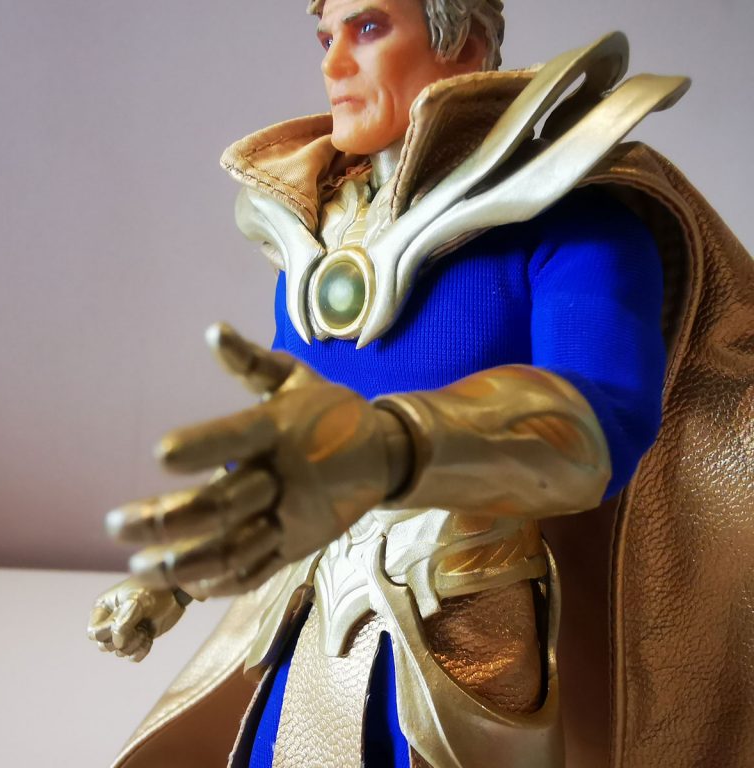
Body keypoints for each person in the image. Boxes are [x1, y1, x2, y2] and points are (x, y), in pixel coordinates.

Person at [88, 2, 754, 766]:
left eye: (369, 28)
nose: (334, 63)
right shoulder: (318, 241)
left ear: (463, 42)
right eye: (326, 37)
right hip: (308, 618)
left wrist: (399, 445)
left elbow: (595, 428)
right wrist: (175, 575)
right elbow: (282, 443)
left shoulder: (576, 222)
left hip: (461, 631)